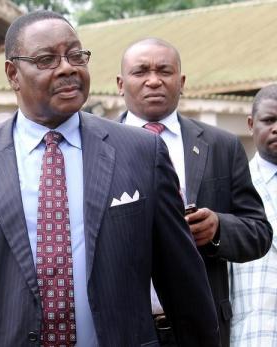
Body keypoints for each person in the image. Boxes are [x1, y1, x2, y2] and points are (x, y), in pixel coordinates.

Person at [0, 11, 220, 346]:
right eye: (46, 59)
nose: (67, 67)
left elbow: (186, 289)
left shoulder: (141, 153)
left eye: (76, 55)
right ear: (13, 73)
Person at [116, 38, 272, 347]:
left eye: (164, 71)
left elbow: (259, 233)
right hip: (123, 329)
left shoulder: (221, 146)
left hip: (201, 328)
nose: (153, 80)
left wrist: (217, 229)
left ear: (182, 81)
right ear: (121, 84)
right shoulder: (96, 147)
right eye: (140, 72)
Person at [230, 84, 277, 346]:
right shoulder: (231, 187)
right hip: (251, 333)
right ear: (251, 124)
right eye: (269, 120)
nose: (276, 128)